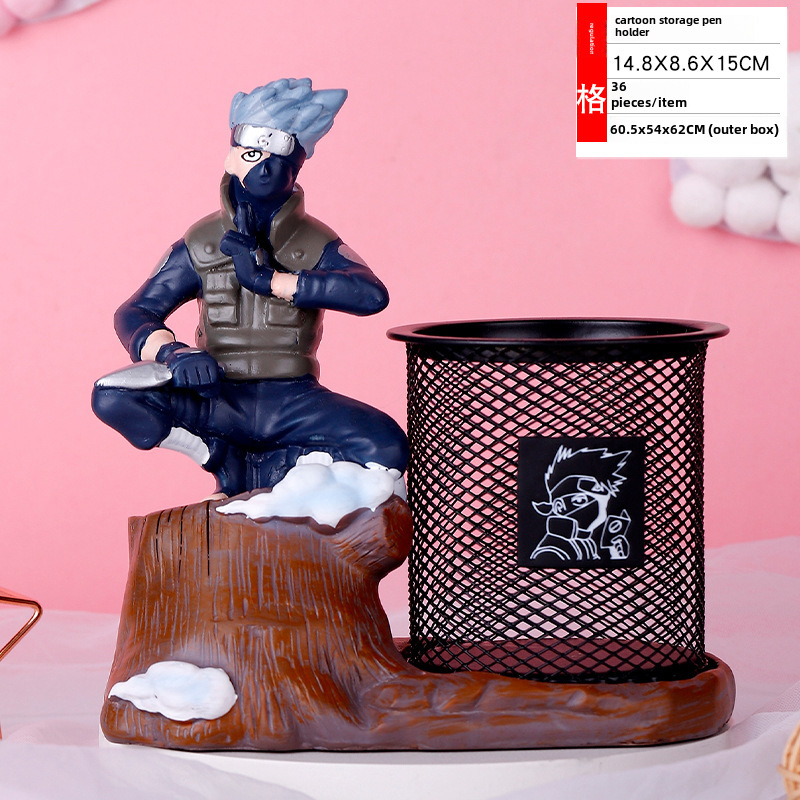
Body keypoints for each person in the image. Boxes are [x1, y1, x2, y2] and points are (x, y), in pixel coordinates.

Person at [92, 78, 408, 497]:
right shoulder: (201, 242)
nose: (264, 169)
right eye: (252, 154)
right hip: (218, 397)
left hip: (295, 400)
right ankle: (217, 454)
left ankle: (286, 472)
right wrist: (174, 353)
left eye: (278, 159)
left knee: (386, 446)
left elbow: (371, 295)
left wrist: (269, 280)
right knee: (112, 395)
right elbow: (134, 313)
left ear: (296, 167)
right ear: (232, 156)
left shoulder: (313, 242)